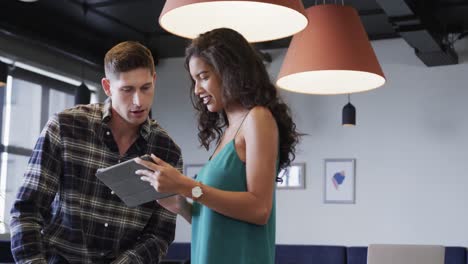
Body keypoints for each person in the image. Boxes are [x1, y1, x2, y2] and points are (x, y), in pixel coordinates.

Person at [136, 28, 300, 264]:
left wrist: (185, 185)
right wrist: (181, 204)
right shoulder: (228, 132)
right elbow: (218, 221)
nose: (197, 89)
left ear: (230, 70)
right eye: (194, 80)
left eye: (203, 76)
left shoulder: (258, 118)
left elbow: (259, 210)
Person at [10, 41, 183, 263]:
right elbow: (26, 210)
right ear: (108, 87)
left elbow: (159, 235)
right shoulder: (65, 127)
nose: (138, 101)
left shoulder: (167, 151)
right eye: (127, 90)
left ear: (154, 81)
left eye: (145, 87)